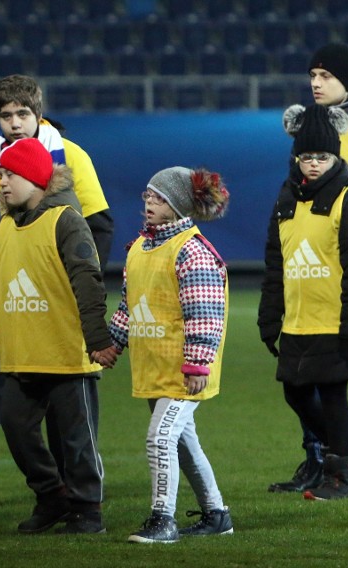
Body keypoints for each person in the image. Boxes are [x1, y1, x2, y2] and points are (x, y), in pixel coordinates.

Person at [0, 73, 115, 477]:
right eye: (7, 116)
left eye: (23, 114)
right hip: (13, 302)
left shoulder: (71, 156)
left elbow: (99, 228)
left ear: (38, 114)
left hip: (56, 303)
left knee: (63, 412)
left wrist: (73, 292)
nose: (16, 123)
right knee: (2, 405)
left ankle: (76, 494)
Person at [269, 42, 348, 492]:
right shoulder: (310, 127)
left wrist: (342, 224)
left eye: (325, 76)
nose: (316, 83)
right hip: (311, 268)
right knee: (308, 370)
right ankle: (321, 460)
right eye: (312, 75)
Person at [105, 166, 232, 544]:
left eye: (159, 197)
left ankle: (163, 519)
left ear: (177, 204)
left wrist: (197, 363)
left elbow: (205, 314)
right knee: (181, 440)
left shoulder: (192, 251)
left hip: (182, 371)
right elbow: (131, 307)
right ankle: (216, 514)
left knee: (160, 438)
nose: (149, 202)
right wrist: (113, 342)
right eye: (148, 195)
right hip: (155, 366)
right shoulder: (141, 249)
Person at [259, 103, 348, 500]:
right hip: (297, 320)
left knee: (333, 394)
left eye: (321, 157)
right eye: (305, 156)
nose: (312, 164)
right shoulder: (286, 198)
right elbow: (276, 263)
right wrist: (269, 318)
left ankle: (341, 477)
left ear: (335, 156)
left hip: (336, 318)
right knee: (296, 392)